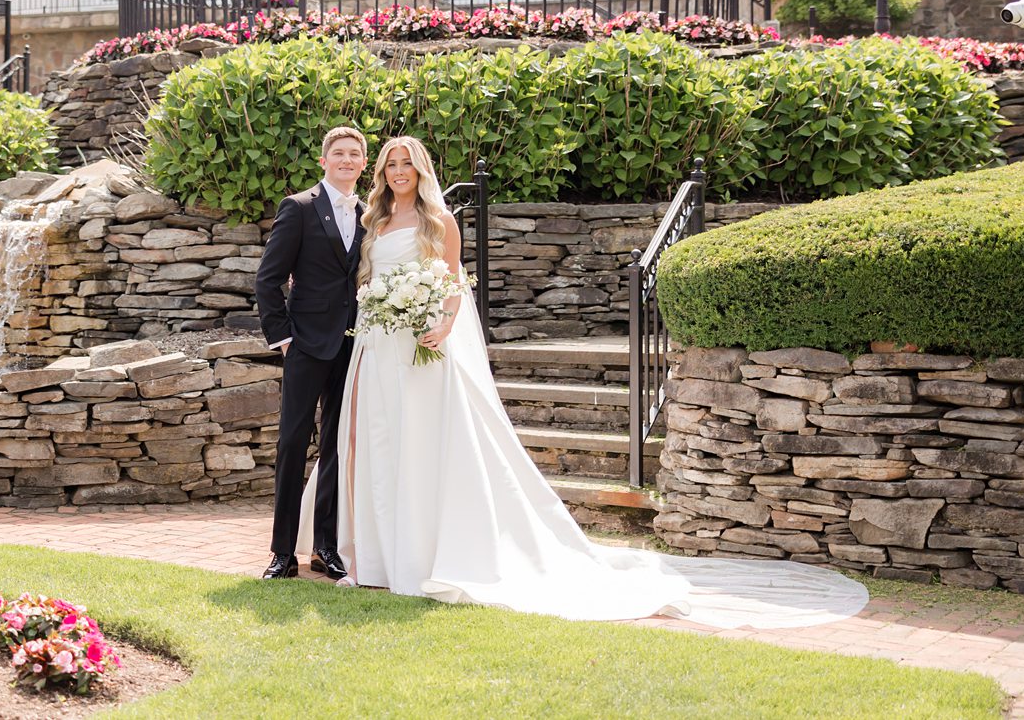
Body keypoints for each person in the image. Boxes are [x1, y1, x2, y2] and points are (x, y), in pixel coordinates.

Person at [316, 135, 868, 629]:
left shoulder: (441, 221)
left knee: (422, 447)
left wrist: (442, 321)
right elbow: (367, 277)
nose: (398, 171)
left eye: (406, 163)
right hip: (378, 340)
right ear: (381, 173)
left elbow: (455, 282)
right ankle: (379, 558)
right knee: (382, 443)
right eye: (391, 164)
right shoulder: (375, 222)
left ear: (421, 169)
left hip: (424, 344)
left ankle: (423, 555)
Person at [254, 125, 367, 581]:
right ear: (324, 161)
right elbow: (268, 278)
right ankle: (283, 553)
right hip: (304, 345)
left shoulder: (369, 214)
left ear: (363, 163)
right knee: (292, 445)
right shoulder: (298, 208)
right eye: (338, 153)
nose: (346, 160)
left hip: (354, 345)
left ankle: (326, 547)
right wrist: (283, 338)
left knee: (337, 448)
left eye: (354, 154)